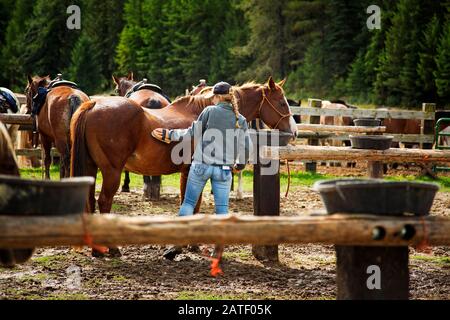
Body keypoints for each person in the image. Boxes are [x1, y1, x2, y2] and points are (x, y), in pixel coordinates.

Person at [152, 81, 252, 260]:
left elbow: (192, 133)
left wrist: (170, 135)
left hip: (200, 165)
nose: (212, 100)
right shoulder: (241, 120)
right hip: (223, 170)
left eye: (213, 97)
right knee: (222, 209)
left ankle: (178, 242)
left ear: (218, 97)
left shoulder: (209, 111)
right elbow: (246, 147)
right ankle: (218, 249)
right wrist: (240, 165)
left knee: (188, 204)